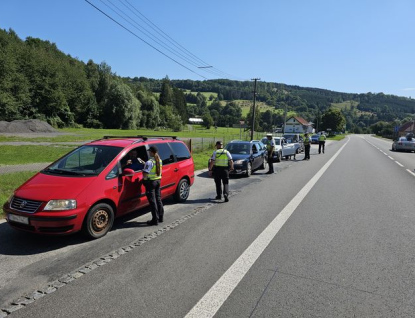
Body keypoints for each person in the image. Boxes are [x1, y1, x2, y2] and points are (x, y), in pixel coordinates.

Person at [143, 146, 164, 225]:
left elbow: (145, 174)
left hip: (151, 183)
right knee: (158, 199)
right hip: (158, 181)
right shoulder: (159, 160)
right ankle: (161, 217)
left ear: (151, 152)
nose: (148, 152)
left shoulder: (150, 162)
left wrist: (144, 168)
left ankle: (155, 220)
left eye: (149, 151)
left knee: (152, 201)